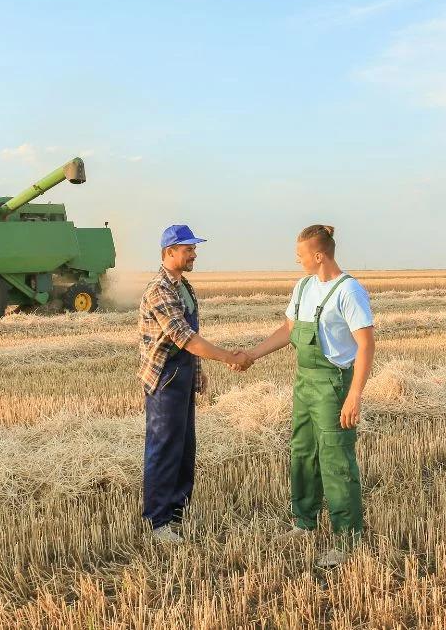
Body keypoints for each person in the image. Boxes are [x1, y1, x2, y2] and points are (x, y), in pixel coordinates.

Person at [241, 224, 375, 567]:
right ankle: (304, 521)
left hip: (333, 384)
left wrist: (354, 395)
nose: (297, 260)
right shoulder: (302, 287)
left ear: (319, 255)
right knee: (301, 453)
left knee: (336, 461)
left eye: (301, 255)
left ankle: (346, 539)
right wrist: (252, 355)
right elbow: (288, 330)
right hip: (304, 382)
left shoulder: (349, 291)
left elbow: (365, 344)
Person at [137, 224, 252, 544]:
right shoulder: (159, 289)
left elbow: (192, 333)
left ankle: (177, 513)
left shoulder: (184, 287)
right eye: (188, 249)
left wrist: (198, 371)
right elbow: (183, 337)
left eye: (193, 248)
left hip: (184, 373)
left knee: (185, 447)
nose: (194, 254)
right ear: (169, 252)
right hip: (164, 377)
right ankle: (158, 521)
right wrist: (228, 356)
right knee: (163, 448)